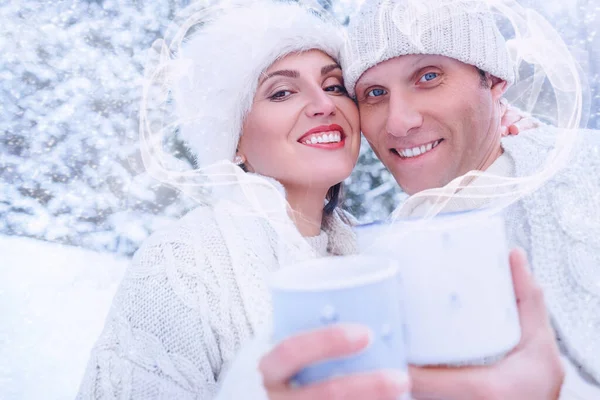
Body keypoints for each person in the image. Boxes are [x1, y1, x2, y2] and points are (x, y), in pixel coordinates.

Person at [252, 0, 600, 399]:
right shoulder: (391, 248)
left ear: (495, 80)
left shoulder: (581, 176)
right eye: (375, 92)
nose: (400, 122)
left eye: (429, 76)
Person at [76, 1, 413, 398]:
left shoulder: (371, 252)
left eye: (334, 85)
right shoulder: (184, 265)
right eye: (282, 92)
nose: (324, 105)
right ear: (232, 140)